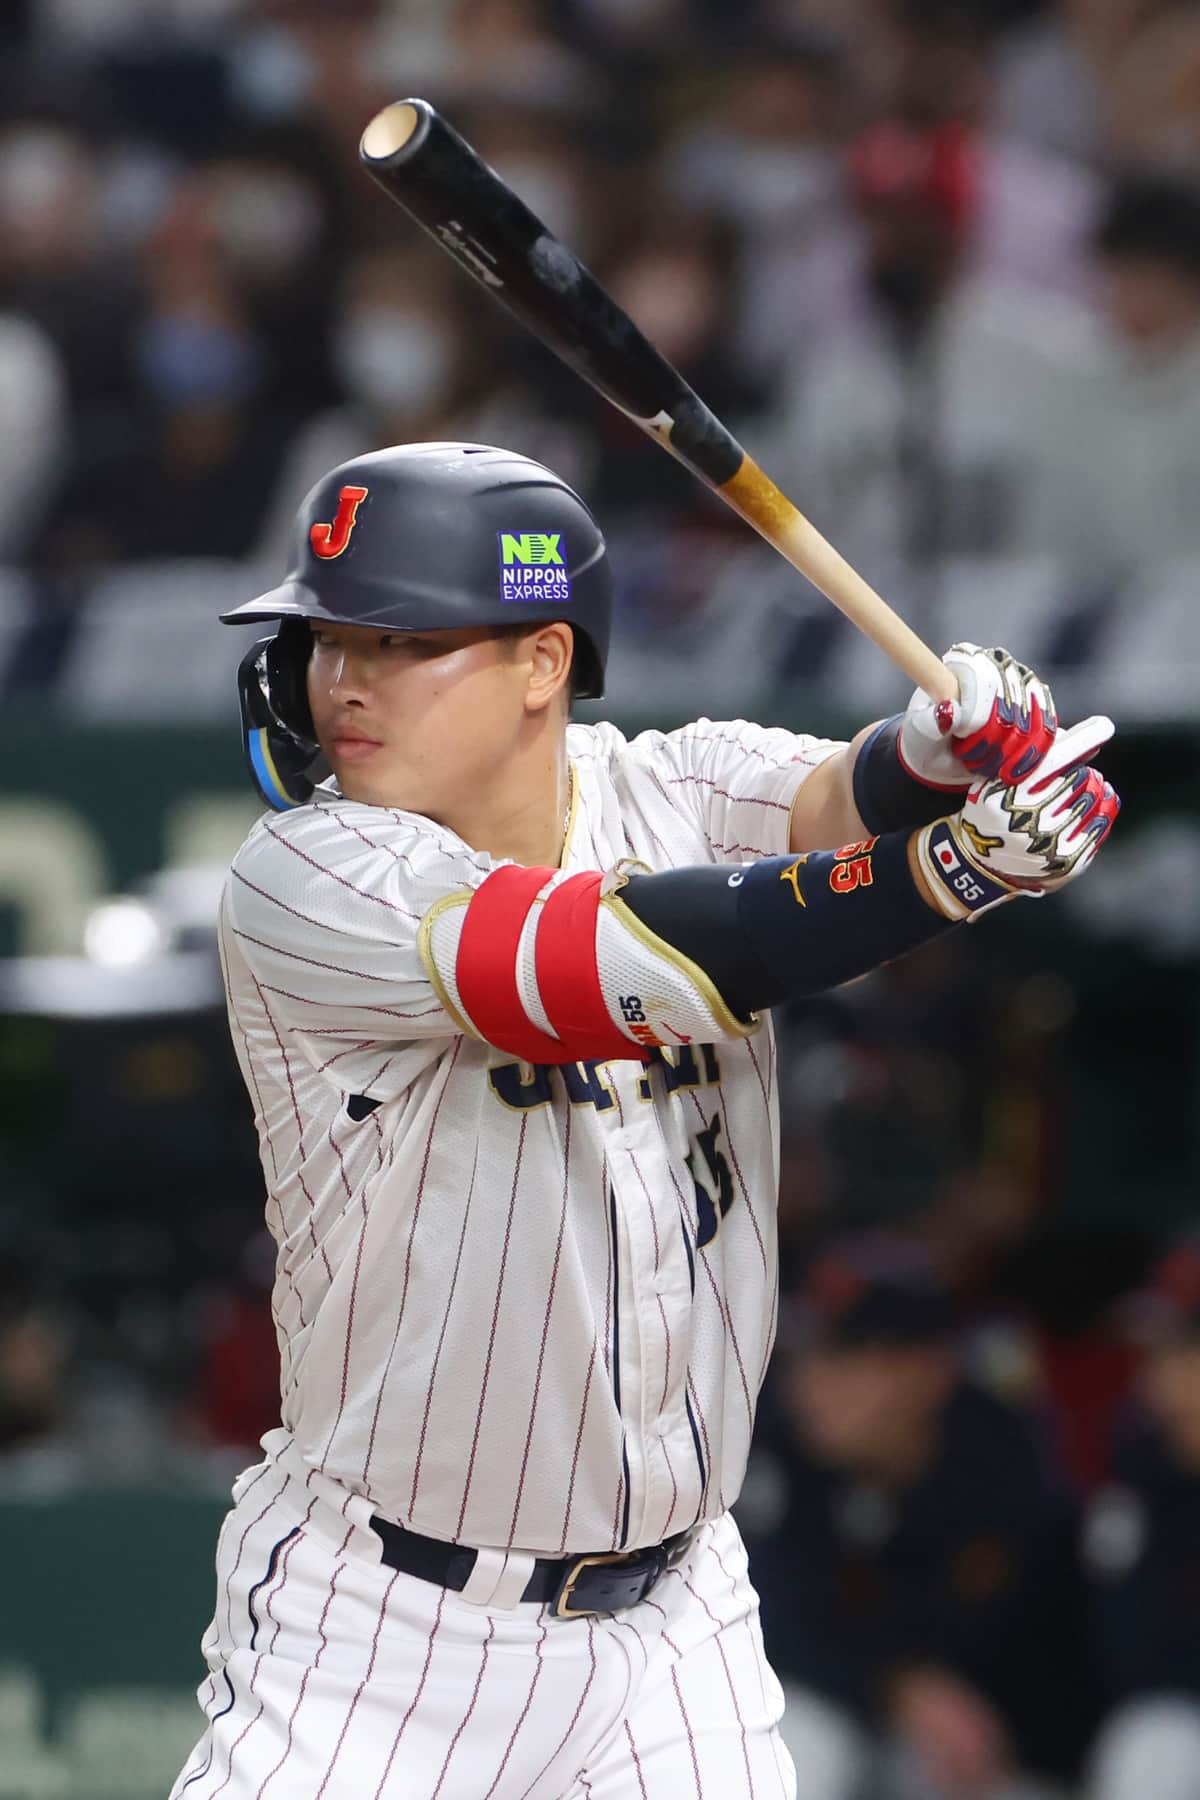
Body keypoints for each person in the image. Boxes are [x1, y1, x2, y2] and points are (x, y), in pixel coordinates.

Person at [172, 441, 1117, 1798]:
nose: (345, 683)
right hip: (383, 1634)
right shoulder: (311, 873)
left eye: (401, 637)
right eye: (327, 640)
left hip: (673, 1628)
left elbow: (838, 801)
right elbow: (647, 956)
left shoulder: (671, 782)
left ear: (543, 662)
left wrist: (952, 744)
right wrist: (961, 864)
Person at [742, 1234, 1088, 1800]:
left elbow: (1037, 1661)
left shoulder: (1008, 1462)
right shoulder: (778, 1447)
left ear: (930, 1368)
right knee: (790, 1742)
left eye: (850, 1358)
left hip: (991, 1749)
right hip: (850, 1715)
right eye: (806, 1355)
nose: (812, 1383)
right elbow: (763, 1615)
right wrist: (893, 1681)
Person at [1084, 1236, 1200, 1800]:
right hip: (1175, 1720)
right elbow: (1128, 1654)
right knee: (1152, 1745)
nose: (1160, 1381)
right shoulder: (1147, 1463)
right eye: (1157, 1355)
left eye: (1185, 1353)